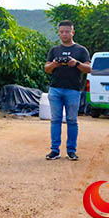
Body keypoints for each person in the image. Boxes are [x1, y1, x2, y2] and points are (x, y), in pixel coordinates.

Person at [44, 20, 91, 161]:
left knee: (72, 120)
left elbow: (89, 68)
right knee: (55, 120)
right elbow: (46, 69)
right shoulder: (54, 50)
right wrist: (54, 64)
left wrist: (75, 63)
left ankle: (71, 151)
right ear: (59, 33)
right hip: (55, 89)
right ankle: (54, 150)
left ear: (73, 32)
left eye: (67, 31)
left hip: (73, 90)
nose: (64, 34)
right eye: (61, 32)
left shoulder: (81, 50)